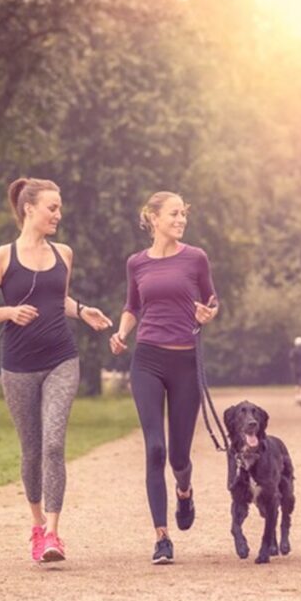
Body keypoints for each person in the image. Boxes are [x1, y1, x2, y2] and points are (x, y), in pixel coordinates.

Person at [0, 177, 113, 564]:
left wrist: (83, 311)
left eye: (59, 207)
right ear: (29, 208)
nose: (58, 214)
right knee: (31, 449)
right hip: (18, 366)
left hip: (61, 359)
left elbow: (59, 298)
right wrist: (9, 311)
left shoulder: (64, 253)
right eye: (52, 207)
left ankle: (53, 533)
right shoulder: (1, 257)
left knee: (53, 444)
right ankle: (36, 526)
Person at [109, 191, 219, 564]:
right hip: (148, 361)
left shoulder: (196, 258)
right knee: (155, 448)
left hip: (185, 363)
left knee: (179, 456)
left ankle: (184, 492)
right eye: (174, 214)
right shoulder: (136, 263)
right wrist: (122, 333)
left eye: (183, 214)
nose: (180, 220)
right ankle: (161, 537)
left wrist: (208, 315)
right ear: (153, 218)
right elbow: (132, 306)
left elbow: (212, 301)